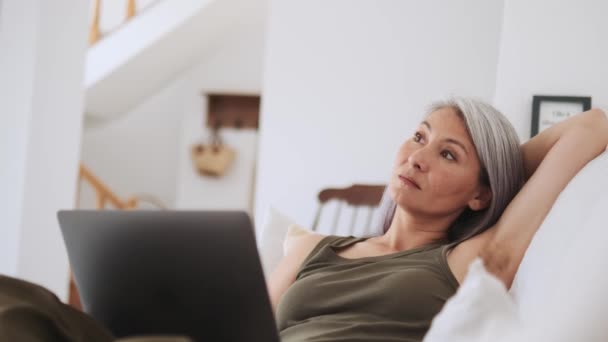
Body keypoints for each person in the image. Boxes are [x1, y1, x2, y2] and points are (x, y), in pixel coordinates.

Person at [269, 97, 608, 342]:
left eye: (448, 154)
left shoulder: (470, 262)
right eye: (419, 137)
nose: (417, 158)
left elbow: (591, 126)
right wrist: (477, 172)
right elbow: (248, 329)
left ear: (480, 196)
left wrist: (495, 174)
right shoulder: (309, 246)